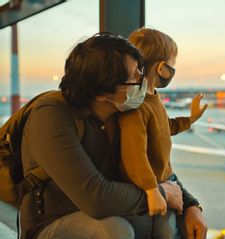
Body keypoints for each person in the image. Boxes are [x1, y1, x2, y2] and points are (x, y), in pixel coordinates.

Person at [19, 32, 207, 239]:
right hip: (54, 221)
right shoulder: (51, 116)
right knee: (115, 231)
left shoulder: (121, 112)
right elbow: (95, 197)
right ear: (102, 92)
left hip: (110, 208)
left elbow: (156, 168)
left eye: (141, 70)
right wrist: (161, 194)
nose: (142, 79)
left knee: (165, 222)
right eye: (133, 77)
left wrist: (190, 206)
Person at [116, 27, 207, 239]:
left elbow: (165, 127)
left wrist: (190, 119)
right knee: (165, 232)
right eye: (172, 65)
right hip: (151, 186)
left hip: (165, 178)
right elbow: (133, 155)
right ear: (160, 68)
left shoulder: (153, 97)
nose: (173, 71)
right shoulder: (136, 106)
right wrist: (152, 190)